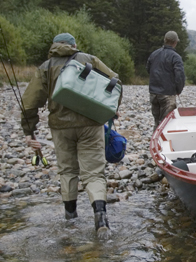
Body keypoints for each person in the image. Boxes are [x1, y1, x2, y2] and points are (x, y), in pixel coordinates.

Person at [21, 33, 121, 238]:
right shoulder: (88, 59)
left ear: (54, 46)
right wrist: (110, 110)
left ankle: (70, 218)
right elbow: (115, 82)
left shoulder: (45, 67)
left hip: (60, 127)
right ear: (74, 45)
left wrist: (29, 131)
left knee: (67, 171)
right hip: (91, 124)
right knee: (93, 173)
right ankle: (101, 219)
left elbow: (30, 103)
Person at [146, 30, 186, 131]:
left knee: (157, 121)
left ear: (165, 40)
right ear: (175, 42)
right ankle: (163, 144)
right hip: (167, 95)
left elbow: (148, 69)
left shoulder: (154, 54)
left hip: (154, 93)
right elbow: (180, 76)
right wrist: (178, 90)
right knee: (167, 123)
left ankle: (154, 143)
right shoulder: (175, 57)